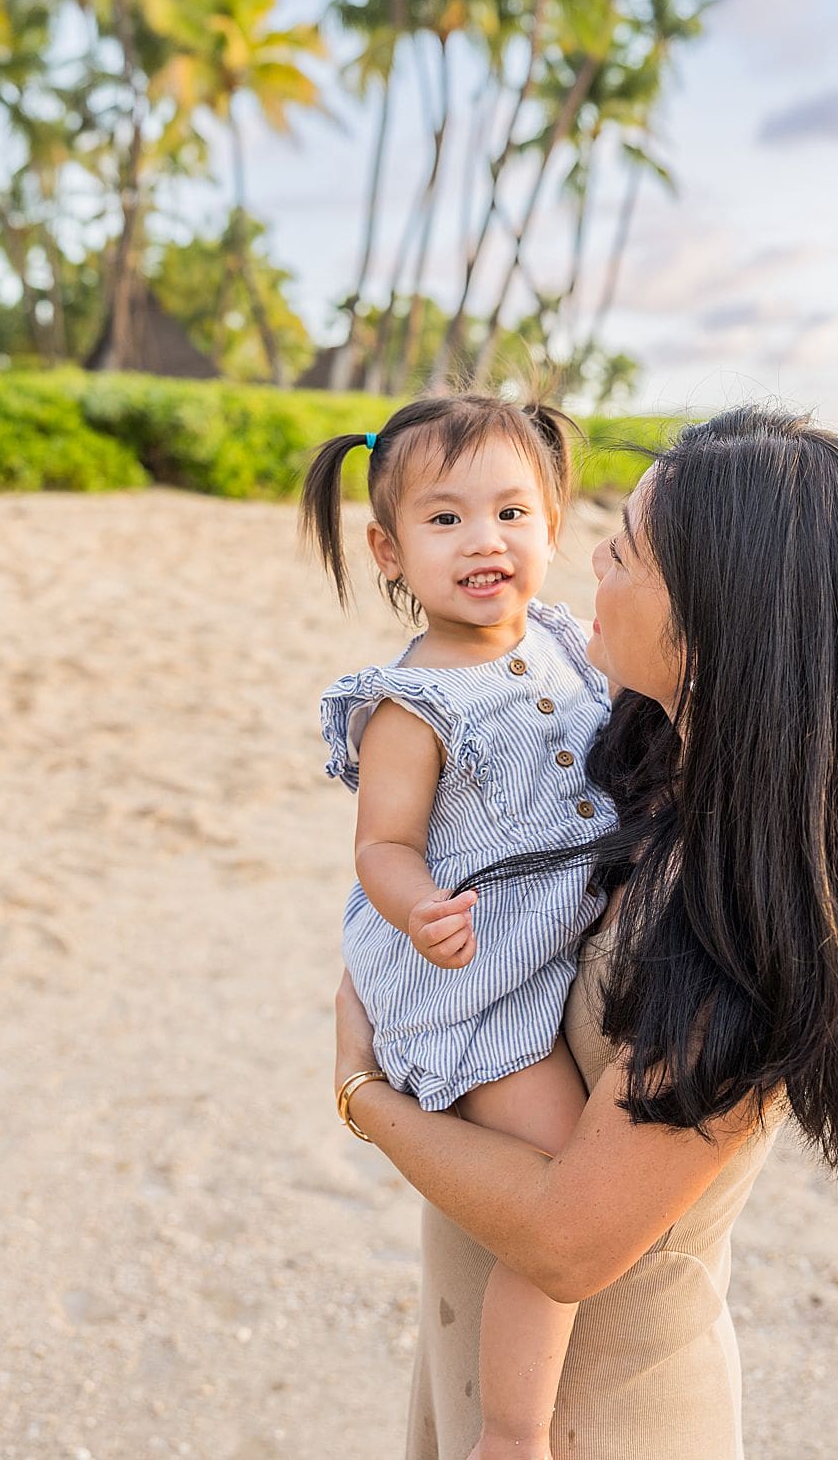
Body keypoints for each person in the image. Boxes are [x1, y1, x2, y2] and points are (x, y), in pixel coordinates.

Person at [332, 405, 838, 1460]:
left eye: (628, 548)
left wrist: (362, 1092)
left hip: (601, 1418)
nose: (588, 548)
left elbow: (564, 1240)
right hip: (472, 1349)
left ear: (716, 617)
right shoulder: (638, 767)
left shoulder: (752, 909)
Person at [301, 393, 622, 1460]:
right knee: (559, 1183)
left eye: (511, 513)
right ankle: (514, 1432)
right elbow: (381, 846)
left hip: (546, 946)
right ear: (390, 549)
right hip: (474, 976)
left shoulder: (571, 644)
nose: (485, 541)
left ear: (553, 525)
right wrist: (418, 910)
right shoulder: (412, 705)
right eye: (445, 521)